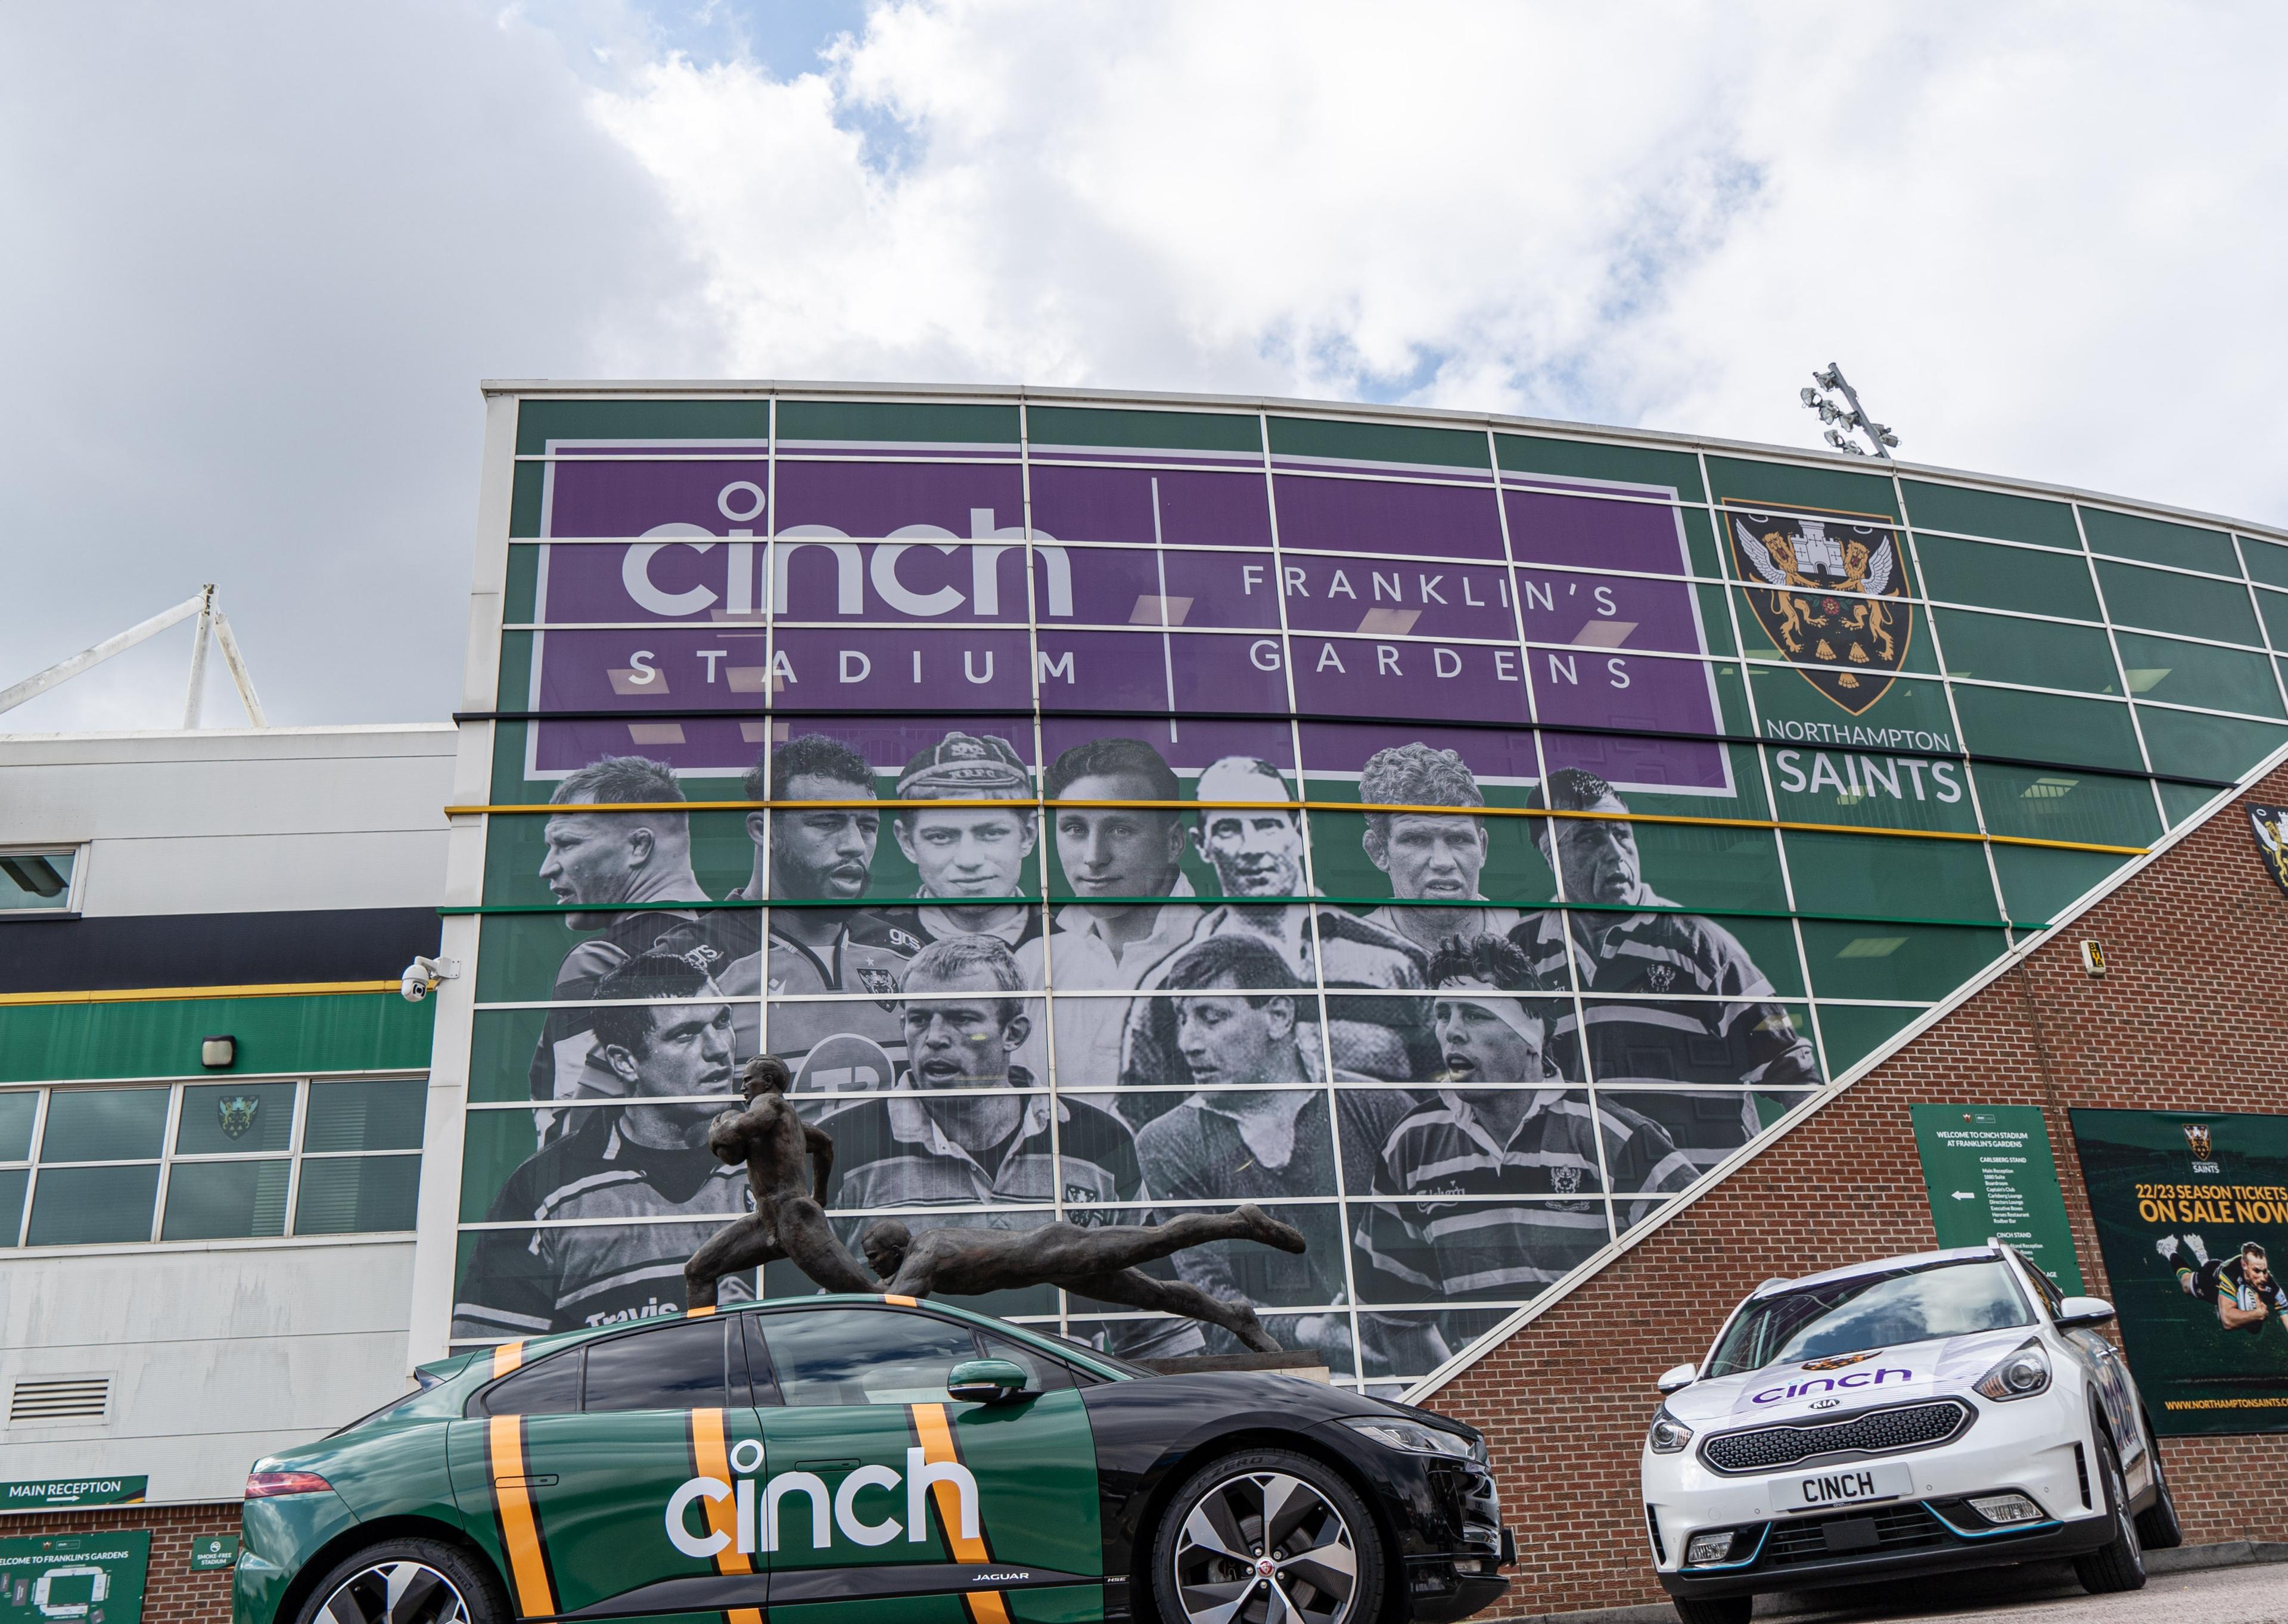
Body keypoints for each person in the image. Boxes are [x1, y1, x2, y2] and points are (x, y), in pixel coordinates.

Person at [816, 934, 1202, 1358]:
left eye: (962, 1019)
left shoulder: (1099, 1140)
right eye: (919, 1019)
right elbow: (798, 1324)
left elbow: (1156, 1333)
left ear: (1014, 1033)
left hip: (1062, 1404)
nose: (935, 1038)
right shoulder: (840, 1145)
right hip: (904, 1409)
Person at [1353, 934, 1697, 1372]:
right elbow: (1394, 1311)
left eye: (1476, 1014)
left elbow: (1704, 1270)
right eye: (1443, 1014)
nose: (1452, 1030)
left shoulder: (1613, 1134)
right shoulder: (1413, 1143)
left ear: (1532, 1035)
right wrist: (1462, 1408)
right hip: (1504, 1419)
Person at [1133, 934, 1415, 1369]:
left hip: (1414, 1359)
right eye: (1183, 1019)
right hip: (1275, 1379)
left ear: (1279, 1016)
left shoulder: (1378, 1106)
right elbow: (1207, 1295)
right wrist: (1309, 1330)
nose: (1188, 1042)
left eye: (1211, 1017)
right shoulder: (1170, 1139)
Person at [1515, 767, 1820, 1165]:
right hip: (1594, 1210)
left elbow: (1793, 1073)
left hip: (1706, 1202)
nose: (1614, 852)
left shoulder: (1698, 943)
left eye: (1622, 833)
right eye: (1590, 837)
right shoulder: (1521, 953)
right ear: (1549, 856)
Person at [453, 954, 753, 1340]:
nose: (718, 1049)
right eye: (686, 1034)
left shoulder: (781, 1156)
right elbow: (489, 1361)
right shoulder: (546, 1188)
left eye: (722, 1021)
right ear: (625, 1063)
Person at [1120, 754, 1434, 1102]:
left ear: (1300, 833)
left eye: (1267, 824)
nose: (1251, 849)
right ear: (1202, 845)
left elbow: (1449, 1107)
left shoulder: (1398, 964)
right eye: (1229, 829)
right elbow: (1143, 1129)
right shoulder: (1167, 991)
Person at [526, 756, 756, 1143]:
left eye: (566, 844)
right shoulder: (756, 939)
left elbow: (580, 1136)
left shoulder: (600, 960)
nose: (547, 868)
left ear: (638, 845)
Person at [718, 734, 919, 1091]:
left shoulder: (908, 956)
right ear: (764, 830)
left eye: (868, 827)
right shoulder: (695, 966)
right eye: (827, 823)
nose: (855, 845)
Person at [860, 1204, 1307, 1354]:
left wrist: (842, 1297)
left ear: (897, 1249)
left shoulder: (927, 1251)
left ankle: (1239, 1222)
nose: (871, 1265)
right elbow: (887, 1291)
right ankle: (1235, 1318)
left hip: (1058, 1249)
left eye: (874, 1257)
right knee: (1155, 1295)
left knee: (1159, 1240)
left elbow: (895, 1304)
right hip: (1058, 1268)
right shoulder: (918, 1257)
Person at [1016, 737, 1198, 1086]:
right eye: (1075, 829)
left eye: (1120, 829)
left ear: (1173, 842)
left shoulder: (1225, 952)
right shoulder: (1035, 964)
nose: (1094, 857)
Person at [684, 1054, 881, 1307]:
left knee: (867, 1294)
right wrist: (819, 1196)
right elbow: (825, 1144)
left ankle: (914, 1300)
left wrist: (715, 1134)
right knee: (698, 1271)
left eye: (748, 1081)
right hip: (767, 1219)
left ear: (767, 1082)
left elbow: (742, 1127)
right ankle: (705, 1341)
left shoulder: (770, 1102)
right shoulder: (791, 1122)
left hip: (793, 1216)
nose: (743, 1088)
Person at [877, 730, 1042, 964]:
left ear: (1029, 835)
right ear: (907, 843)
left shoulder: (1073, 942)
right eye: (941, 837)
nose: (969, 860)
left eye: (992, 833)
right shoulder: (867, 942)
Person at [1357, 742, 1523, 954]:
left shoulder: (1534, 937)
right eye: (1417, 840)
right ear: (1378, 851)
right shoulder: (1351, 955)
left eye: (1458, 839)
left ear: (1482, 846)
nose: (1443, 862)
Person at [2160, 1234, 2288, 1333]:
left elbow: (2285, 1311)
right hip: (2211, 1280)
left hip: (2222, 1271)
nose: (2262, 1277)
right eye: (2256, 1271)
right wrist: (2256, 1314)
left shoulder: (2270, 1284)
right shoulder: (2230, 1275)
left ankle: (2201, 1254)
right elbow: (2227, 1322)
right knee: (2186, 1285)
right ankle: (2168, 1249)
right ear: (2244, 1265)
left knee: (2254, 1326)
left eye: (2264, 1270)